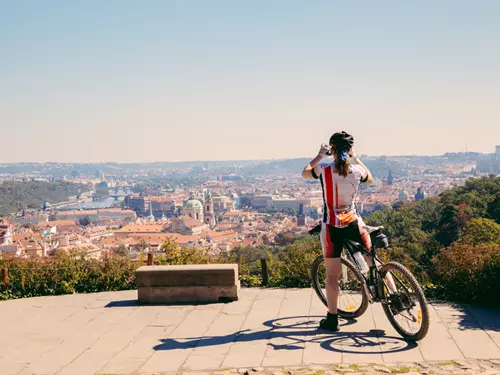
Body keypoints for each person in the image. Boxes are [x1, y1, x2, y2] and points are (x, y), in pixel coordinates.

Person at [302, 131, 373, 331]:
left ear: (332, 149)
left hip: (332, 226)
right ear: (349, 149)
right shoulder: (358, 170)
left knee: (332, 275)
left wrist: (319, 155)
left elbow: (305, 172)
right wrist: (356, 157)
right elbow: (370, 178)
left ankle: (332, 319)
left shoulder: (324, 169)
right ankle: (394, 295)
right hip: (353, 223)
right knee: (373, 261)